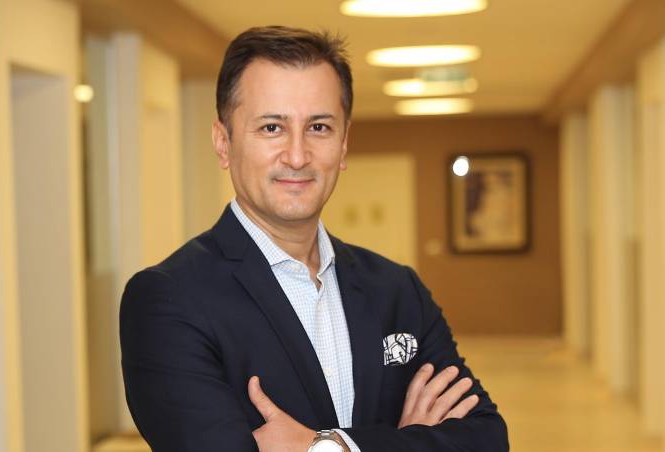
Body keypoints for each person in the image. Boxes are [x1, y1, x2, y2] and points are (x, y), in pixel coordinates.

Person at [120, 26, 509, 452]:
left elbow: (485, 438)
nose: (297, 155)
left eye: (319, 127)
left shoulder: (397, 289)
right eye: (272, 127)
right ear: (223, 142)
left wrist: (328, 447)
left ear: (343, 145)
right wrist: (405, 440)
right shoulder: (169, 300)